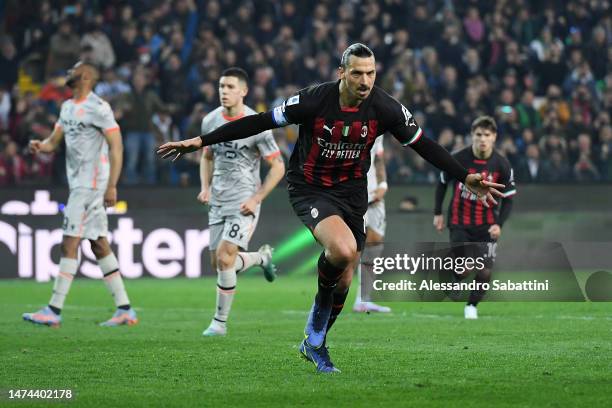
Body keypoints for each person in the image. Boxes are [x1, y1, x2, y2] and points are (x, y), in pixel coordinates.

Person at [157, 44, 504, 373]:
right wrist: (202, 141)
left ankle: (315, 340)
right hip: (310, 188)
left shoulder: (386, 108)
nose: (365, 81)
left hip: (352, 193)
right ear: (342, 72)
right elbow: (260, 120)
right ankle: (315, 331)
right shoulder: (314, 100)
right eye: (357, 73)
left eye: (370, 73)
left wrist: (463, 176)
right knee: (342, 249)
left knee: (346, 275)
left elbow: (424, 145)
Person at [23, 62, 137, 328]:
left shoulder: (99, 108)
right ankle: (125, 309)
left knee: (69, 243)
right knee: (98, 244)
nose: (67, 72)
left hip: (91, 185)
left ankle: (53, 309)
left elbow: (116, 146)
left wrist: (112, 185)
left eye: (72, 70)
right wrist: (41, 146)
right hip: (79, 184)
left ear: (85, 76)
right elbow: (54, 141)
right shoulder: (67, 107)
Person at [197, 67, 285, 336]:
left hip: (244, 201)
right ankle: (261, 258)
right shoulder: (210, 120)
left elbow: (278, 166)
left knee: (225, 258)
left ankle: (219, 323)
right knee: (219, 263)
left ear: (244, 91)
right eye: (221, 86)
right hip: (218, 200)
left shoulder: (257, 124)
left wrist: (257, 198)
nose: (224, 91)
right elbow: (207, 157)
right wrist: (205, 187)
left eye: (230, 87)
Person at [433, 115, 516, 319]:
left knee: (485, 271)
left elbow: (509, 198)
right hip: (460, 222)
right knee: (465, 266)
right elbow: (442, 182)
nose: (482, 139)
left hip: (486, 224)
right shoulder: (458, 158)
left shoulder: (502, 164)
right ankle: (455, 277)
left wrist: (499, 224)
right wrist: (437, 212)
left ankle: (471, 306)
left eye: (487, 135)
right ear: (472, 135)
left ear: (494, 137)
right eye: (478, 134)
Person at [352, 135, 391, 313]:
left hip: (374, 194)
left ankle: (363, 299)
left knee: (374, 244)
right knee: (347, 248)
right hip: (349, 194)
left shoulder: (378, 129)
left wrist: (383, 184)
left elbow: (379, 159)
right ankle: (329, 297)